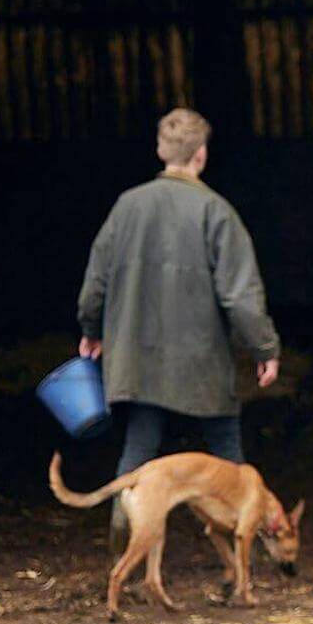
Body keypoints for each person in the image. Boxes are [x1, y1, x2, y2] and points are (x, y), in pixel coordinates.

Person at [77, 108, 281, 538]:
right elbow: (240, 296)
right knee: (228, 457)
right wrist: (264, 348)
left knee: (138, 450)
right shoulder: (217, 212)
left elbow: (96, 280)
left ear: (160, 149)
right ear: (201, 154)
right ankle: (241, 559)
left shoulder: (126, 207)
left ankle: (121, 545)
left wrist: (91, 329)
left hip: (139, 358)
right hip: (202, 362)